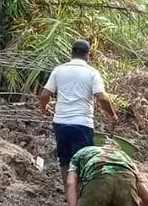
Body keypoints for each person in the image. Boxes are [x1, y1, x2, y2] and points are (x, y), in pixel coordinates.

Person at [39, 39, 119, 186]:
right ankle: (81, 193)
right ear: (88, 55)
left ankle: (68, 193)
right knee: (83, 160)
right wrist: (112, 114)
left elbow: (44, 94)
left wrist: (44, 108)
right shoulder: (92, 73)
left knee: (65, 160)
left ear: (72, 53)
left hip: (60, 123)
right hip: (82, 124)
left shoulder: (59, 70)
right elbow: (101, 97)